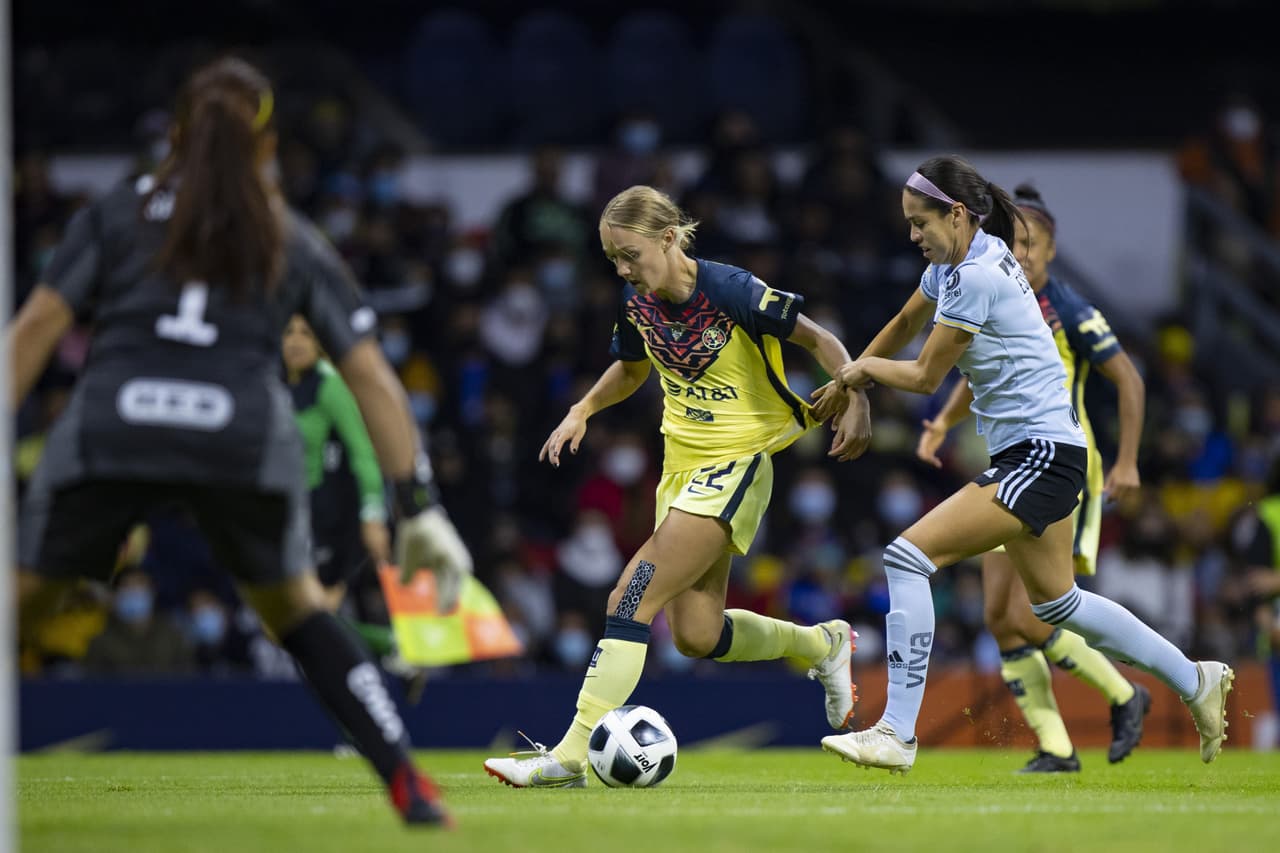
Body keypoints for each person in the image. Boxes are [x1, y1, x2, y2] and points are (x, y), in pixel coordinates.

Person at [7, 57, 473, 826]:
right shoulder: (289, 233)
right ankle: (408, 784)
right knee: (297, 610)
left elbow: (31, 335)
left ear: (177, 133)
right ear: (267, 146)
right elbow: (372, 378)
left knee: (18, 602)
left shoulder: (115, 212)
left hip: (114, 424)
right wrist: (420, 505)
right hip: (240, 437)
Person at [814, 155, 1234, 775]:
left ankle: (897, 734)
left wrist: (859, 373)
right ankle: (1194, 677)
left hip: (1039, 453)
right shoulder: (959, 263)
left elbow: (927, 374)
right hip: (1050, 452)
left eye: (918, 222)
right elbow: (905, 322)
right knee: (1058, 605)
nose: (911, 236)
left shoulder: (976, 275)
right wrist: (854, 390)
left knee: (907, 557)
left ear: (955, 214)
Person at [482, 184, 872, 788]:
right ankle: (824, 645)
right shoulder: (636, 302)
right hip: (680, 471)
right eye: (613, 257)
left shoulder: (732, 290)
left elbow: (819, 339)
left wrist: (854, 392)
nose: (622, 268)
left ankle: (569, 754)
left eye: (630, 254)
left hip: (737, 464)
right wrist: (584, 409)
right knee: (697, 635)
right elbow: (633, 366)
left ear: (668, 238)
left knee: (628, 600)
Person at [913, 184, 1151, 772]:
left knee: (1036, 609)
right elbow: (983, 370)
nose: (1020, 255)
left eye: (1031, 245)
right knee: (1001, 615)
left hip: (1060, 463)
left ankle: (1126, 693)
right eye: (1013, 243)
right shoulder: (999, 293)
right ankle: (1057, 747)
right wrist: (943, 419)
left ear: (1051, 249)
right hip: (1012, 459)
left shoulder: (1069, 309)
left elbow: (1129, 379)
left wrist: (1126, 461)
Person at [282, 314, 390, 612]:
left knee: (323, 614)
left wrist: (372, 515)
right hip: (277, 511)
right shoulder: (267, 380)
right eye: (289, 332)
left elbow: (363, 452)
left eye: (306, 333)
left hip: (320, 515)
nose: (296, 341)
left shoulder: (330, 386)